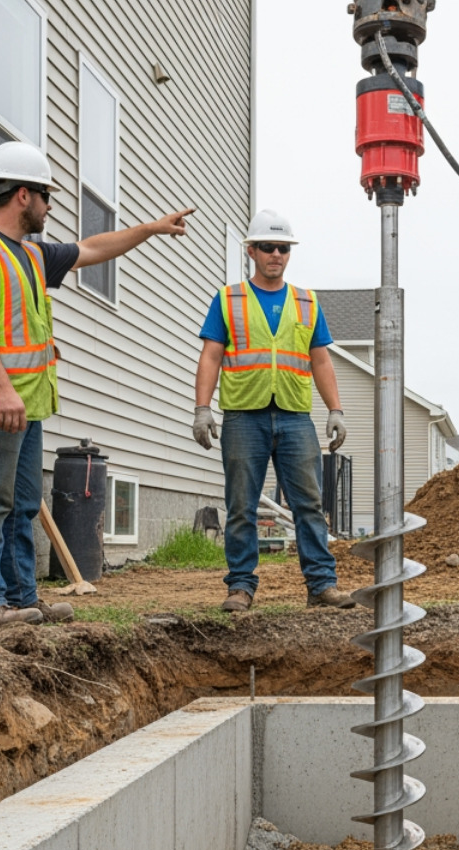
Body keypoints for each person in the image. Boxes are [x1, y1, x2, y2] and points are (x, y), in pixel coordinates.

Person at [0, 141, 193, 628]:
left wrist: (151, 230)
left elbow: (94, 248)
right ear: (24, 196)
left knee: (23, 502)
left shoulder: (29, 256)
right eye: (47, 196)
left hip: (25, 406)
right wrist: (2, 388)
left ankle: (21, 598)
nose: (51, 206)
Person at [191, 209, 355, 613]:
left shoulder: (306, 301)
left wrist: (336, 410)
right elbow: (211, 356)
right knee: (242, 505)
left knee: (309, 506)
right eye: (268, 247)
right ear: (251, 251)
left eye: (283, 248)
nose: (276, 254)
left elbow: (321, 360)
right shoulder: (228, 299)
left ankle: (321, 585)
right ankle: (241, 587)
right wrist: (201, 408)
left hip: (295, 417)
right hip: (244, 416)